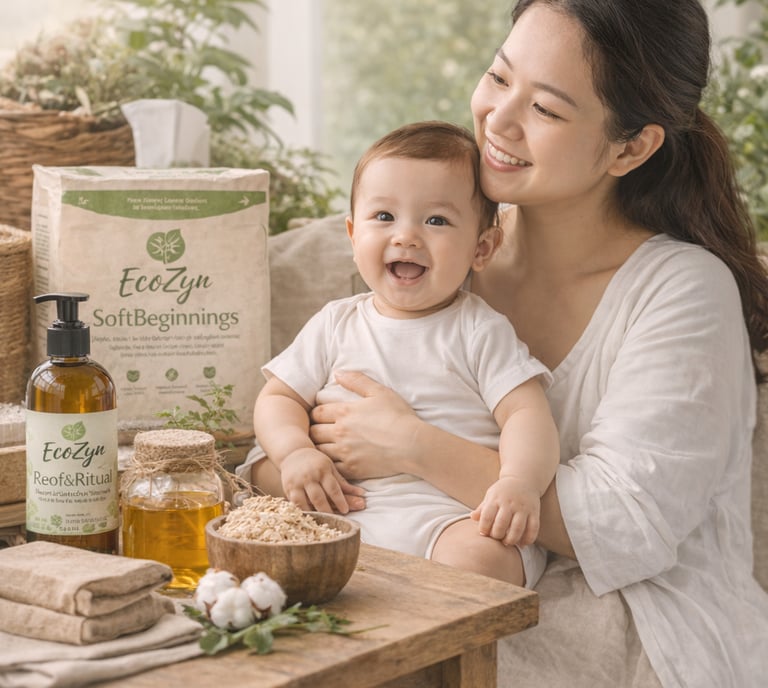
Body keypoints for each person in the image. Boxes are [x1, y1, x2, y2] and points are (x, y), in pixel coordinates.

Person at [245, 1, 768, 686]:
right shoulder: (433, 248)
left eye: (546, 110)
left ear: (630, 146)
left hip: (625, 622)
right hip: (401, 575)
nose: (497, 118)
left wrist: (410, 446)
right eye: (498, 77)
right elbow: (273, 449)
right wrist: (301, 466)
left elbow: (619, 526)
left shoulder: (681, 291)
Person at [252, 121, 559, 588]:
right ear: (353, 235)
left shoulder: (479, 329)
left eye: (435, 220)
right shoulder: (336, 322)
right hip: (346, 506)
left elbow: (527, 414)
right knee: (258, 522)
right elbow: (278, 398)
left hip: (447, 516)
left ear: (482, 247)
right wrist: (295, 453)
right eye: (384, 217)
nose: (406, 237)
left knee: (483, 560)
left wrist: (519, 482)